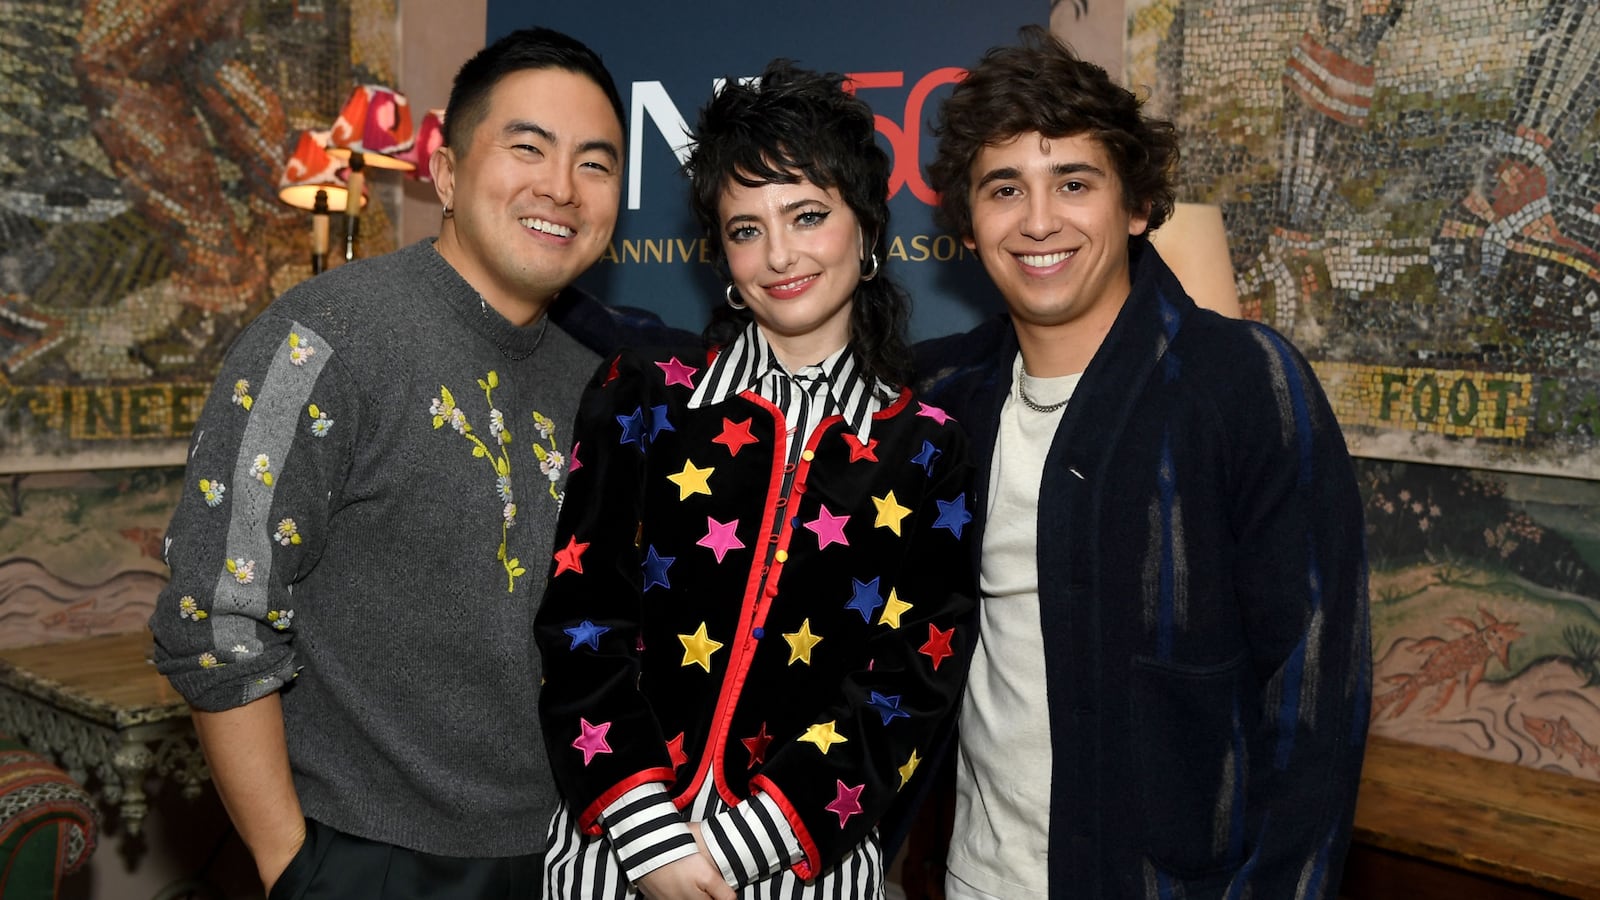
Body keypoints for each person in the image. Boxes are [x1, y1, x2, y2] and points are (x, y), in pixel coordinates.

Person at [149, 27, 634, 899]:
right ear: (445, 172)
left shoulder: (592, 383)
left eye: (595, 164)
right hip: (367, 854)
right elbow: (214, 617)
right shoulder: (328, 338)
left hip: (561, 853)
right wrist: (292, 865)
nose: (560, 187)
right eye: (527, 146)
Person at [910, 26, 1372, 899]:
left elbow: (1317, 697)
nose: (1039, 220)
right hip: (972, 879)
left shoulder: (1243, 383)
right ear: (968, 225)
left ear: (1135, 206)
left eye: (1074, 183)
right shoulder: (939, 399)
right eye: (1005, 188)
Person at [535, 61, 977, 899]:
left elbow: (909, 685)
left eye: (807, 216)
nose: (779, 255)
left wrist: (739, 848)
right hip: (614, 859)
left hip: (801, 869)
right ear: (720, 253)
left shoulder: (926, 448)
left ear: (867, 227)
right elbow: (581, 621)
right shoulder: (644, 393)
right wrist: (652, 839)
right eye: (745, 229)